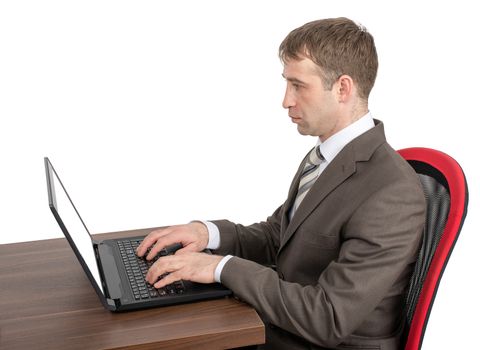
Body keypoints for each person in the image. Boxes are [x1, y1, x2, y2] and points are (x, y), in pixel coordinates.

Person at [137, 17, 426, 350]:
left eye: (298, 85)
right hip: (283, 327)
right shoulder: (325, 156)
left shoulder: (392, 191)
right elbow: (281, 236)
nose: (286, 100)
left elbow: (329, 317)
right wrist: (208, 234)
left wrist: (222, 268)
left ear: (343, 88)